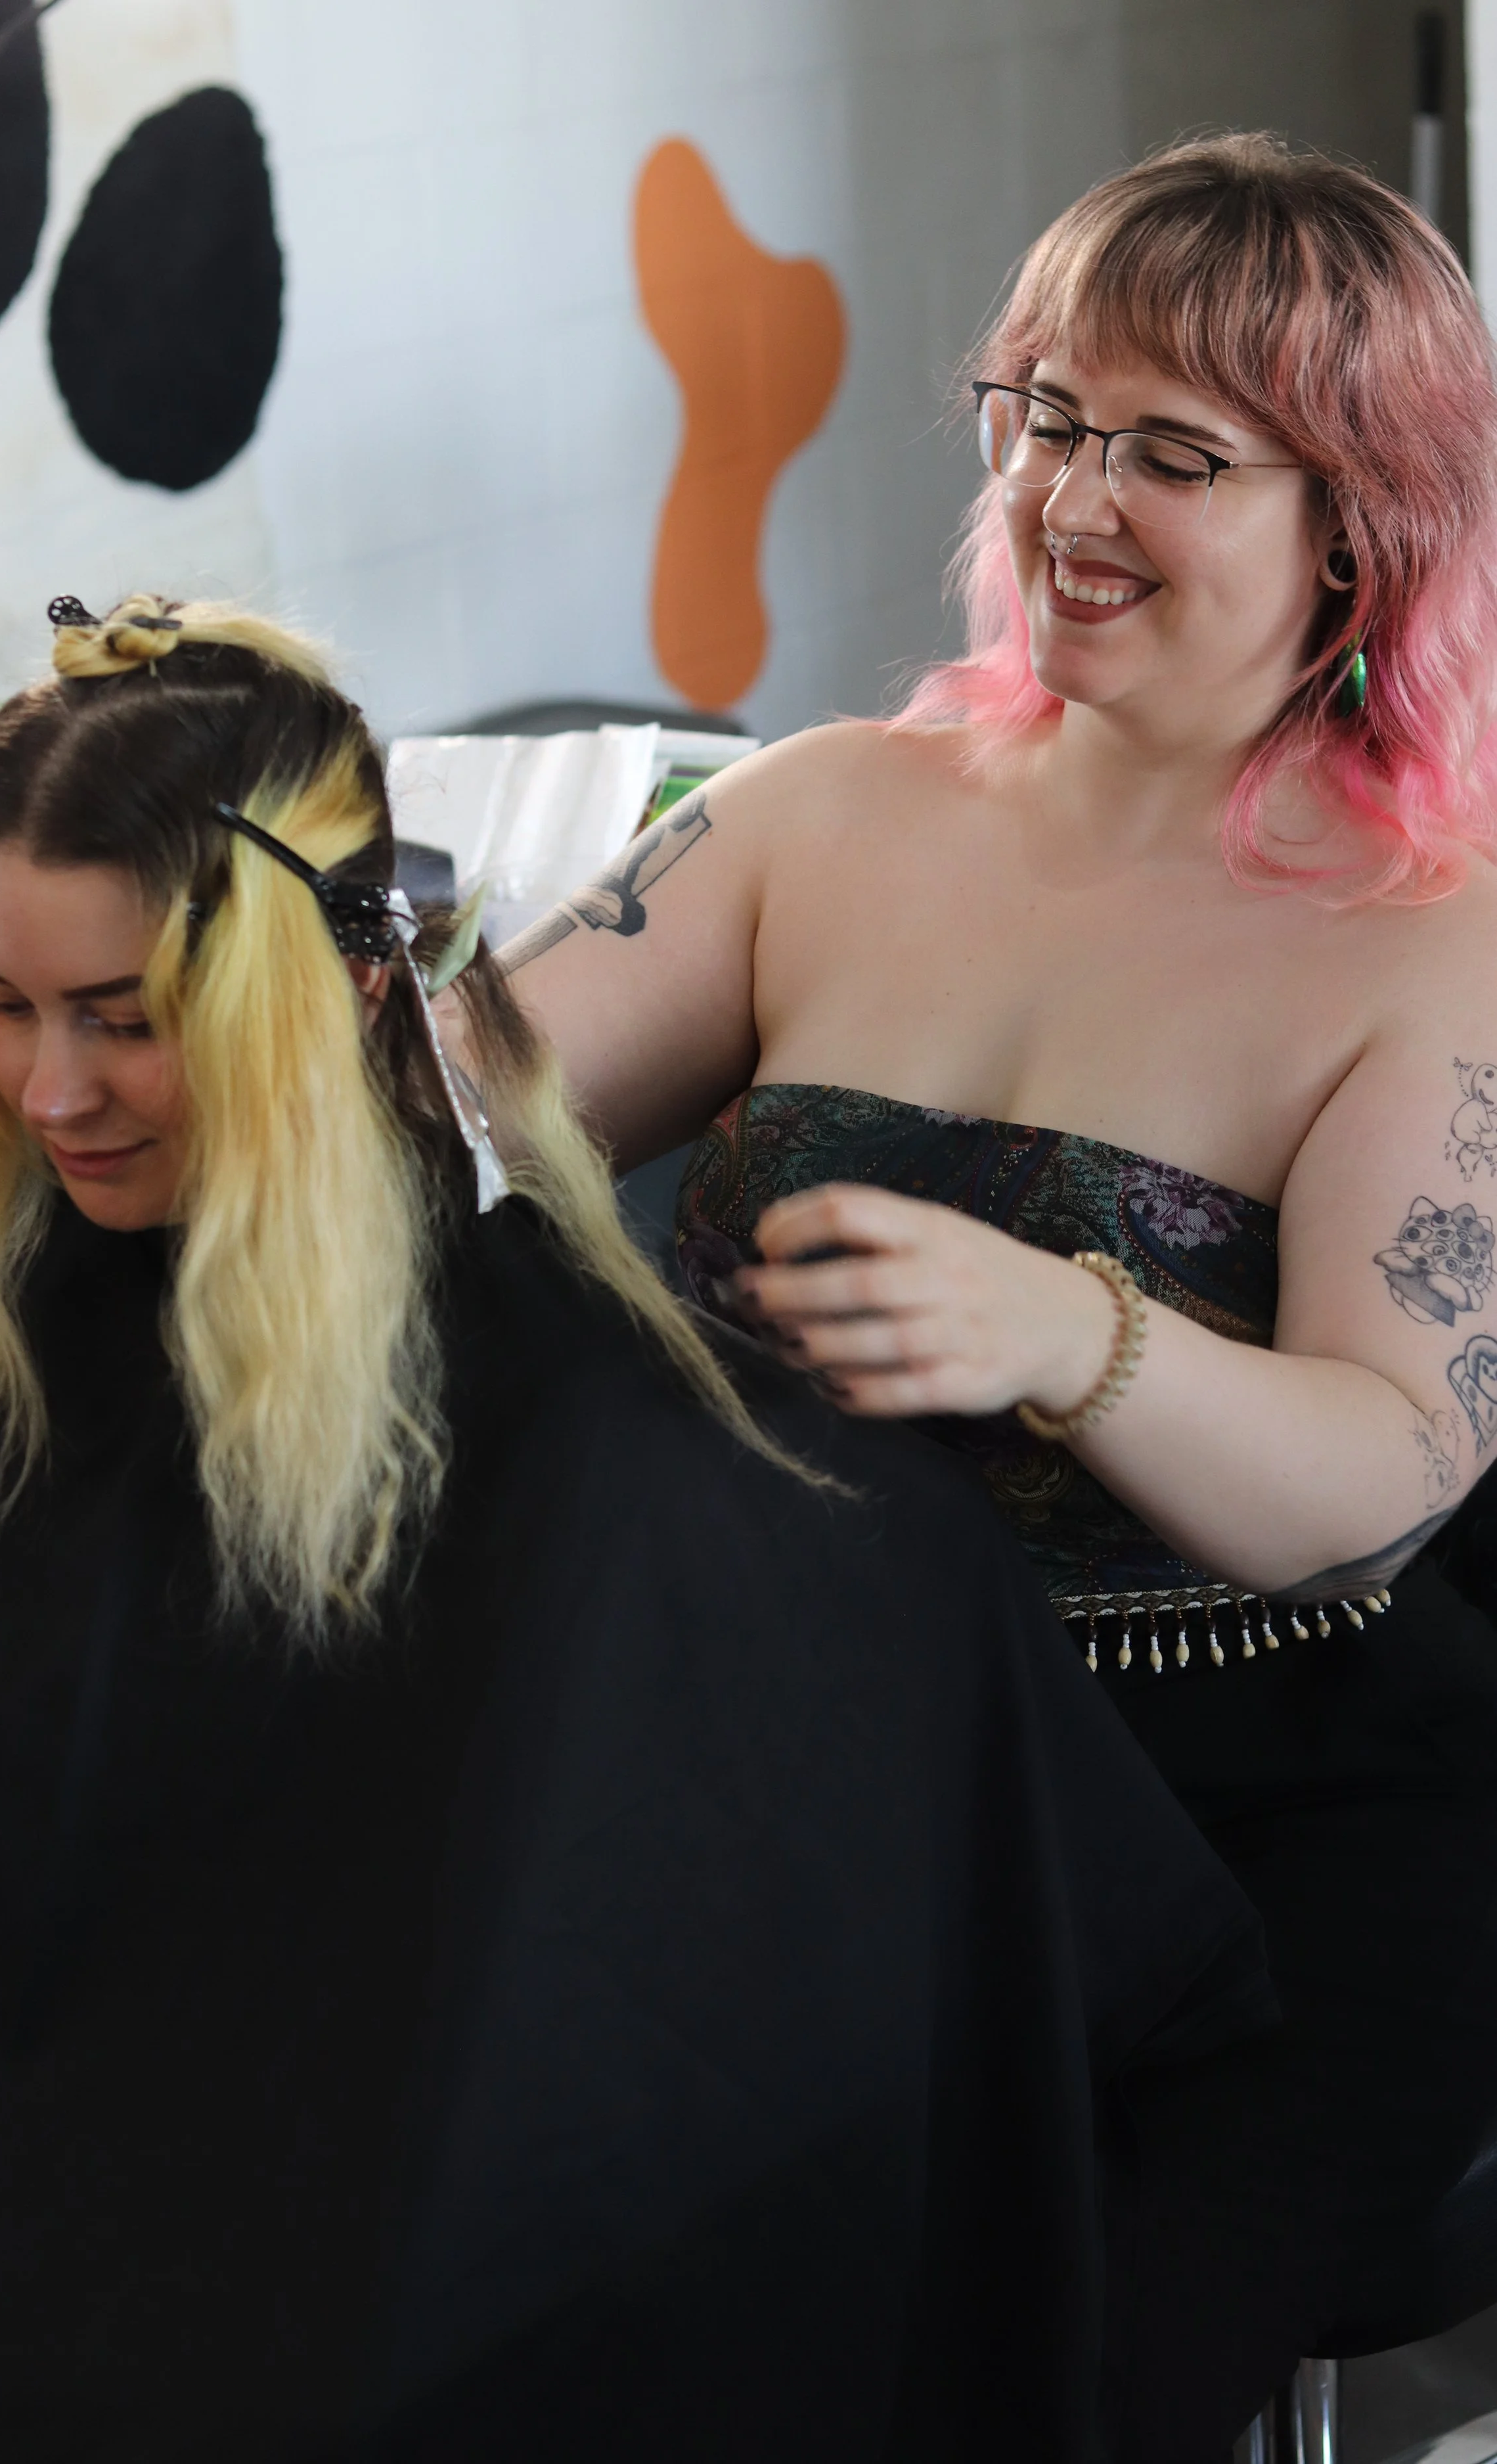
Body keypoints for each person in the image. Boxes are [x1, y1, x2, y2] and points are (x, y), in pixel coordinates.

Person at [0, 595, 1261, 2463]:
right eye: (0, 1004)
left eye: (126, 1018)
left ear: (350, 984)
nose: (50, 1088)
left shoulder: (632, 1466)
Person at [490, 135, 1497, 2461]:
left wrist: (1073, 1337)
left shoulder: (1434, 938)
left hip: (1264, 1816)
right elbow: (450, 1110)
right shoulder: (822, 811)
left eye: (1170, 451)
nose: (1068, 496)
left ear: (1359, 524)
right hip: (805, 1759)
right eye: (1043, 415)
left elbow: (1384, 1466)